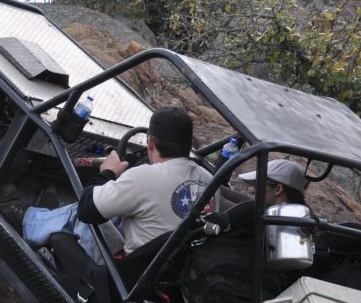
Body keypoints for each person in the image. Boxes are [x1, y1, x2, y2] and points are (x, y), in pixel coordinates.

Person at [20, 106, 215, 264]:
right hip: (170, 270)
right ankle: (44, 216)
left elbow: (86, 210)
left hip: (130, 275)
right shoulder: (209, 180)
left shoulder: (143, 177)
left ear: (150, 143)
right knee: (114, 209)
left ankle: (26, 219)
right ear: (189, 146)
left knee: (80, 212)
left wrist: (108, 172)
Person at [237, 158, 307, 206]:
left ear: (278, 189)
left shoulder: (277, 224)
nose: (251, 190)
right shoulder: (297, 220)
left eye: (257, 184)